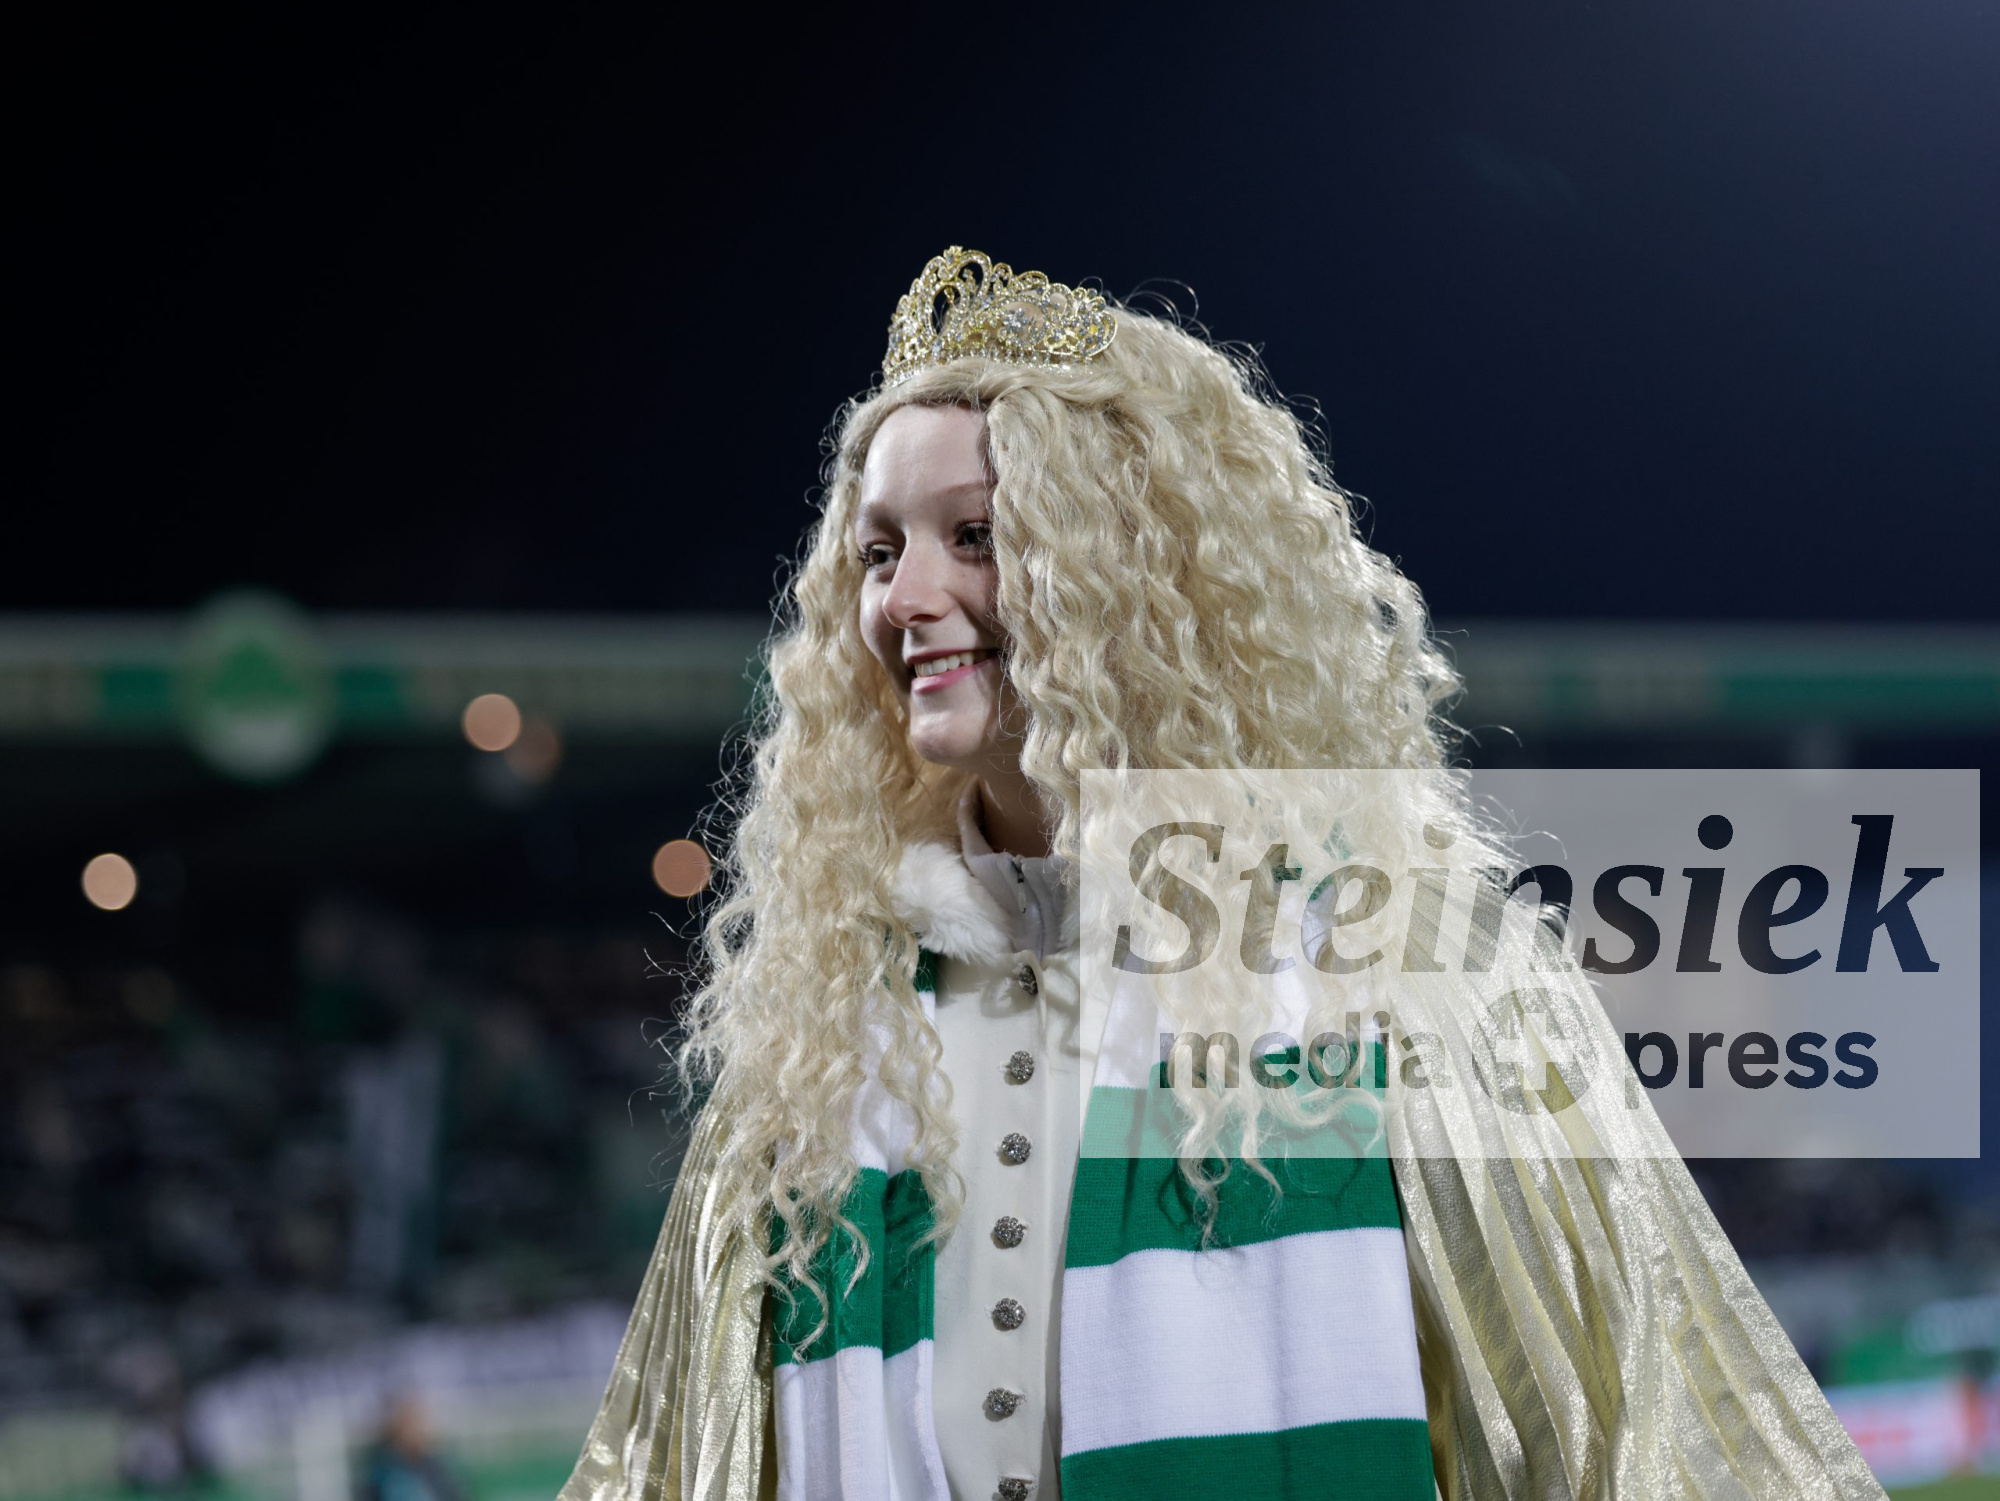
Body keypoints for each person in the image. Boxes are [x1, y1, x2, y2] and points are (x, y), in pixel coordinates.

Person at [562, 248, 1882, 1500]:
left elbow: (1643, 1437)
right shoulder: (816, 1050)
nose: (905, 599)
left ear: (1127, 571)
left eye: (974, 535)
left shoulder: (1398, 968)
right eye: (878, 549)